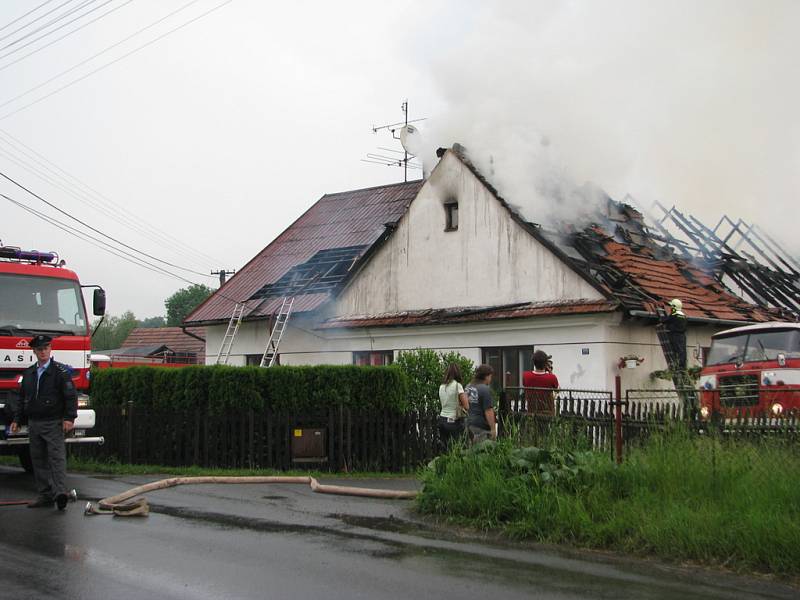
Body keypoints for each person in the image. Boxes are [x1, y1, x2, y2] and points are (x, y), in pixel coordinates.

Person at [11, 335, 77, 510]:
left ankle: (60, 492)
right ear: (34, 351)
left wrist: (69, 418)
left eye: (46, 348)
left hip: (53, 421)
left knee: (56, 458)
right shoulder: (29, 373)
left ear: (50, 349)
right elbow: (23, 399)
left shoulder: (60, 372)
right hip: (34, 422)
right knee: (38, 460)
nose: (43, 352)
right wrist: (17, 420)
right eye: (40, 349)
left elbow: (70, 396)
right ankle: (45, 494)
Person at [437, 363, 468, 448]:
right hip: (453, 421)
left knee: (445, 448)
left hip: (442, 419)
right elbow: (466, 406)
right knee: (456, 448)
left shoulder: (441, 386)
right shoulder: (458, 386)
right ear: (457, 373)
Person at [465, 364, 496, 443]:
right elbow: (488, 410)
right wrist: (493, 429)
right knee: (482, 451)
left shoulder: (468, 387)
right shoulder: (485, 389)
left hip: (468, 424)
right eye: (490, 376)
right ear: (486, 376)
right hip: (480, 426)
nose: (490, 379)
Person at [522, 349, 560, 415]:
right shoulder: (551, 377)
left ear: (534, 362)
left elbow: (524, 385)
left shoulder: (526, 375)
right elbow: (558, 390)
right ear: (545, 363)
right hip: (548, 411)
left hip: (532, 411)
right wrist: (550, 372)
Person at [661, 298, 687, 369]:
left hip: (676, 335)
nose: (670, 308)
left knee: (675, 350)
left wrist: (660, 318)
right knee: (682, 351)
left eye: (671, 306)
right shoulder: (683, 315)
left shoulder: (674, 315)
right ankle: (682, 366)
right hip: (682, 336)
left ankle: (677, 365)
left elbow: (665, 320)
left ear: (674, 307)